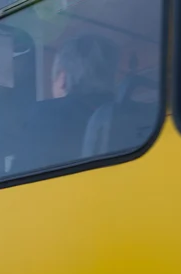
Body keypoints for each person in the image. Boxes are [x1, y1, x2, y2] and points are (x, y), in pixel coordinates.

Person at [14, 34, 119, 173]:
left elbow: (20, 175)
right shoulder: (131, 115)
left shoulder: (47, 115)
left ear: (62, 78)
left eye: (53, 79)